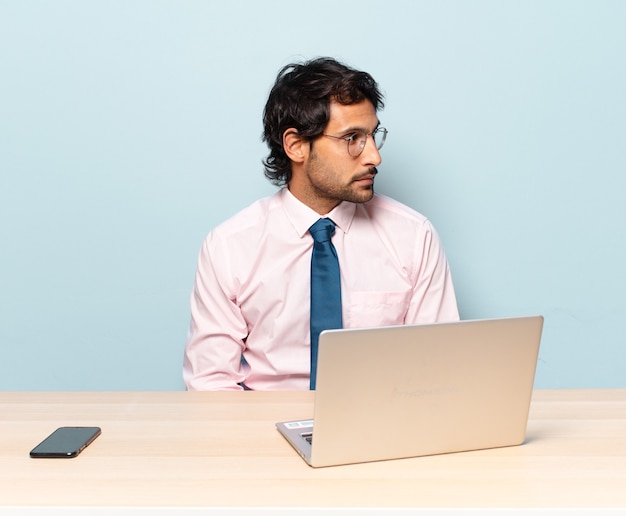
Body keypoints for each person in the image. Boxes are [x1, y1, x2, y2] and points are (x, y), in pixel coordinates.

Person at [183, 57, 459, 391]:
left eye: (373, 135)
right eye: (352, 138)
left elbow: (436, 369)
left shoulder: (413, 236)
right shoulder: (230, 246)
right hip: (262, 429)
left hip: (380, 426)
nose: (374, 156)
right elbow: (210, 384)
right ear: (296, 146)